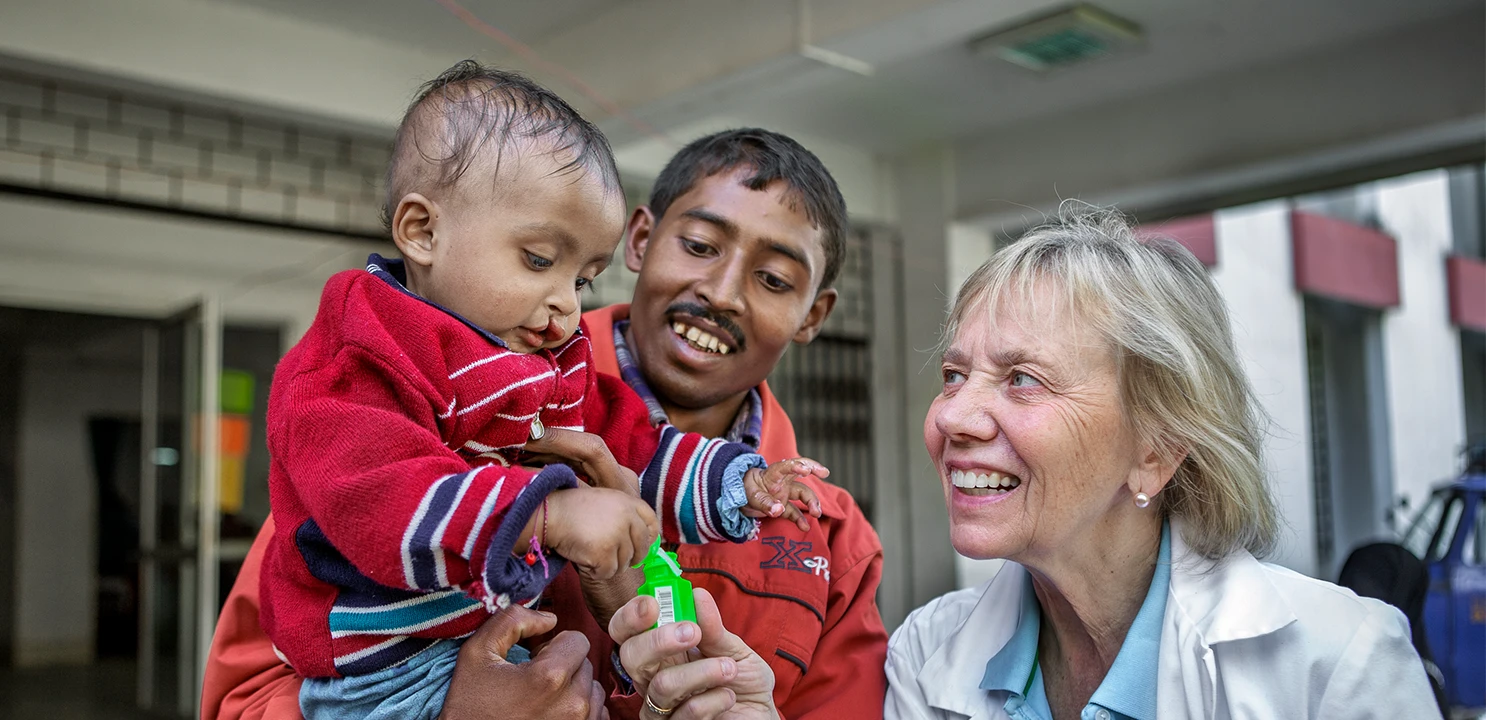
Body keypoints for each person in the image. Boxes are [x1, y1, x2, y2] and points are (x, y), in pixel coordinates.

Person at [202, 127, 889, 720]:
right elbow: (243, 693)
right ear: (642, 240)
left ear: (814, 317)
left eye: (774, 280)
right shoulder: (434, 408)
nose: (721, 292)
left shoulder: (831, 542)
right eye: (702, 245)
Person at [884, 205, 1442, 719]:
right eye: (954, 375)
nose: (954, 416)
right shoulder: (925, 652)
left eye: (1023, 379)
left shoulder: (1337, 663)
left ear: (1155, 451)